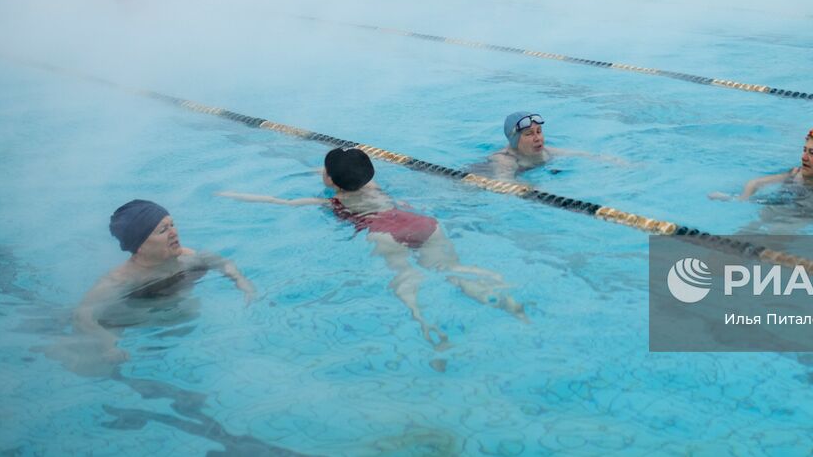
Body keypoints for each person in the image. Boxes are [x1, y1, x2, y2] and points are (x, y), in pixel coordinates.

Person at [218, 147, 524, 348]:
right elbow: (348, 174)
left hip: (383, 233)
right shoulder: (373, 186)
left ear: (334, 182)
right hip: (419, 222)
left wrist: (232, 194)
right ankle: (507, 300)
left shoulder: (332, 200)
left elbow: (280, 201)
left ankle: (425, 322)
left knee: (407, 281)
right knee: (454, 271)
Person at [73, 200, 255, 364]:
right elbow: (82, 316)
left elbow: (219, 262)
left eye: (172, 225)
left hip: (177, 329)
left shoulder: (185, 257)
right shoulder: (120, 281)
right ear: (140, 245)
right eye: (163, 230)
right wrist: (108, 347)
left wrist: (241, 281)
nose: (174, 232)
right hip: (138, 332)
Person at [483, 111, 613, 179]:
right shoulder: (505, 159)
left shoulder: (546, 151)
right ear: (514, 140)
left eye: (539, 131)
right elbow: (505, 183)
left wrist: (611, 160)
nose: (537, 138)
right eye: (529, 134)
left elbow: (580, 154)